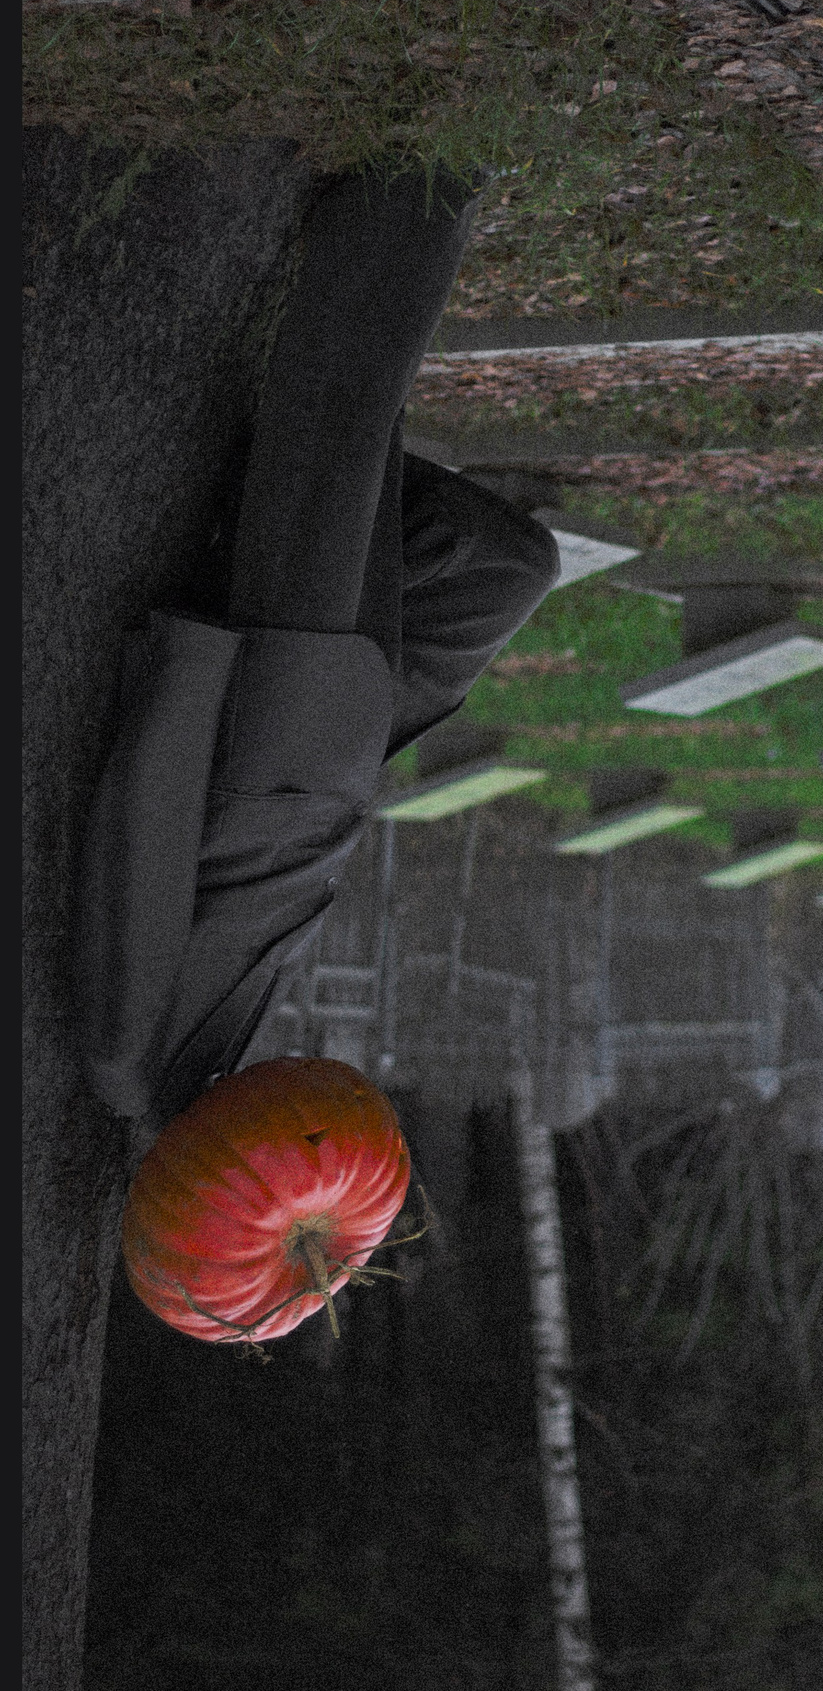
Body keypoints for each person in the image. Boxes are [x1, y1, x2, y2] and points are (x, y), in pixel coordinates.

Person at [78, 162, 559, 1131]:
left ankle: (411, 189)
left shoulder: (131, 1064)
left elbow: (143, 834)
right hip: (350, 745)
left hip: (269, 720)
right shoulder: (227, 1079)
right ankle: (272, 474)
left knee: (345, 428)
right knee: (511, 566)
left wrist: (192, 659)